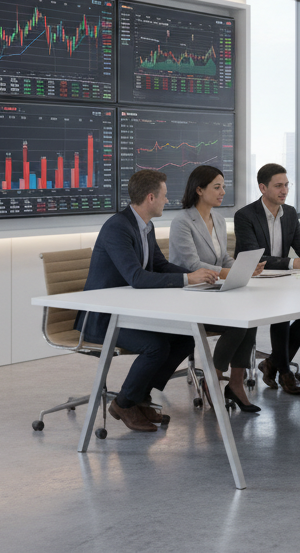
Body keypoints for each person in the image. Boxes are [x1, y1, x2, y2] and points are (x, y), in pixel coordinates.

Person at [75, 169, 220, 433]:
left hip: (128, 312)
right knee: (156, 347)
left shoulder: (145, 226)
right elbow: (137, 277)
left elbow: (160, 265)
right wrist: (188, 280)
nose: (168, 201)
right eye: (165, 196)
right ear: (151, 197)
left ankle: (139, 396)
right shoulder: (118, 227)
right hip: (102, 318)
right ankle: (123, 403)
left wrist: (196, 276)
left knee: (185, 336)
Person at [168, 165, 264, 413]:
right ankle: (214, 378)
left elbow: (224, 261)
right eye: (217, 187)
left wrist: (245, 267)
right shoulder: (182, 221)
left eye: (224, 186)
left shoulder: (219, 220)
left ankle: (235, 384)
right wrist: (229, 272)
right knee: (236, 322)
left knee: (249, 319)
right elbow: (191, 264)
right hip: (190, 293)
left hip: (214, 292)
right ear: (199, 190)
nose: (223, 191)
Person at [234, 163, 300, 395]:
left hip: (282, 280)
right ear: (263, 187)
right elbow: (255, 257)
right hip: (255, 282)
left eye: (286, 185)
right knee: (281, 316)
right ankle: (284, 372)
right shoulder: (245, 216)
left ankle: (272, 362)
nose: (284, 190)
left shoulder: (289, 213)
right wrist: (293, 263)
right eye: (278, 186)